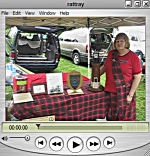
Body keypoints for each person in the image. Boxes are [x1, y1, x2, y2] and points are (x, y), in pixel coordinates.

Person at [100, 33, 142, 121]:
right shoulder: (111, 53)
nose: (119, 43)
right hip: (110, 92)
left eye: (122, 41)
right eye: (117, 41)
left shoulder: (133, 56)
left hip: (124, 93)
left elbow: (137, 77)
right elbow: (105, 67)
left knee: (124, 118)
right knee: (111, 117)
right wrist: (94, 76)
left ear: (126, 42)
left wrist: (130, 95)